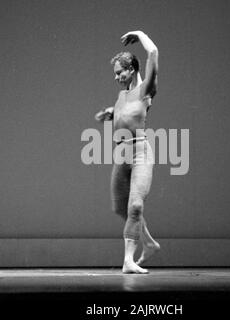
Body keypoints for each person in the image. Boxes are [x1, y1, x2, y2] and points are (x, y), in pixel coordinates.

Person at [95, 31, 160, 274]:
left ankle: (128, 261)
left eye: (120, 71)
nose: (117, 76)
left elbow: (153, 52)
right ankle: (149, 243)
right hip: (121, 156)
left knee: (135, 206)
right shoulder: (123, 95)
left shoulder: (146, 89)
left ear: (132, 69)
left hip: (140, 153)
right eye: (114, 73)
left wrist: (139, 34)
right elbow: (125, 112)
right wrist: (111, 113)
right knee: (121, 208)